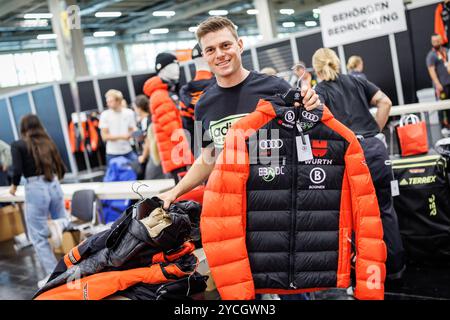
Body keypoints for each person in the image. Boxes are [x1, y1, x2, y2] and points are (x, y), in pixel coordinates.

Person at [157, 16, 320, 212]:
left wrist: (313, 105)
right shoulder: (202, 105)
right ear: (205, 55)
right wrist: (176, 190)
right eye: (210, 49)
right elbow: (209, 157)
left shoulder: (275, 87)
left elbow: (308, 132)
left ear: (240, 45)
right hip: (234, 208)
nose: (219, 54)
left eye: (225, 45)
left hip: (282, 204)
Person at [312, 48, 405, 281]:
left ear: (316, 68)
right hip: (376, 148)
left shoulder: (318, 93)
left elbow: (318, 128)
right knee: (385, 209)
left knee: (355, 216)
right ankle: (396, 268)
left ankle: (367, 276)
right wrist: (375, 129)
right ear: (337, 63)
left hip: (351, 154)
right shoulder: (356, 81)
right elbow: (385, 101)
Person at [9, 114, 69, 287]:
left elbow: (17, 169)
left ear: (23, 128)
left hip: (36, 189)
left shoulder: (18, 144)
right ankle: (72, 268)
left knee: (38, 236)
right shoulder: (48, 142)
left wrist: (13, 186)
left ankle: (53, 276)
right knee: (63, 225)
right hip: (54, 185)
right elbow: (61, 167)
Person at [143, 52, 194, 182]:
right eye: (172, 65)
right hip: (178, 158)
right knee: (186, 198)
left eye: (177, 65)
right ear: (162, 69)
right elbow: (172, 129)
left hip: (179, 156)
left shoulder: (167, 93)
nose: (176, 68)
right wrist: (189, 156)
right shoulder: (160, 96)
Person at [179, 43, 216, 157]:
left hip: (203, 157)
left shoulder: (185, 93)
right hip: (229, 152)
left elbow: (188, 130)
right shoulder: (220, 86)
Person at [99, 89, 137, 166]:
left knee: (136, 173)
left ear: (118, 101)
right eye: (107, 101)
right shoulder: (105, 115)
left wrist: (133, 133)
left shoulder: (129, 113)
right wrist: (122, 136)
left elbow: (132, 129)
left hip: (128, 151)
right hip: (112, 153)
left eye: (111, 101)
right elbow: (104, 136)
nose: (108, 104)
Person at [132, 94, 165, 180]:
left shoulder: (147, 120)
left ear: (139, 108)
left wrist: (143, 156)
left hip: (152, 154)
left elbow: (148, 141)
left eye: (134, 108)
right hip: (150, 154)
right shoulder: (143, 120)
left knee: (151, 177)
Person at [426, 34, 450, 130]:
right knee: (442, 107)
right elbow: (431, 71)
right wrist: (437, 84)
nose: (436, 43)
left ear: (441, 40)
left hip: (449, 83)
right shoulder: (431, 56)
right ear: (432, 42)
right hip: (442, 86)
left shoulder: (447, 51)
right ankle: (443, 127)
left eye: (437, 41)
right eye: (434, 41)